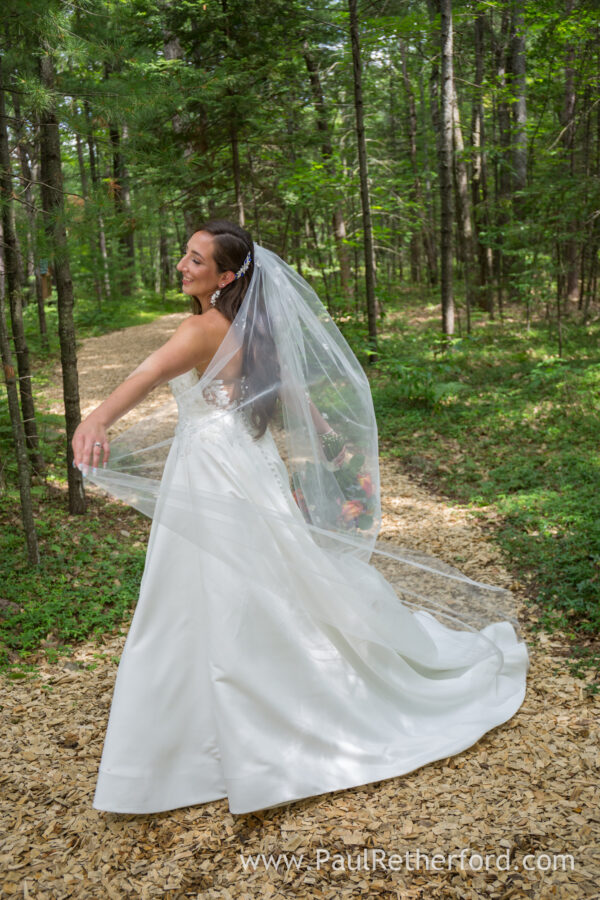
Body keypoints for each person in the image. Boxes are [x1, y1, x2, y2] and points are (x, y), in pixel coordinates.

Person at [73, 219, 529, 816]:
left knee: (218, 581)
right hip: (249, 460)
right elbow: (291, 391)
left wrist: (97, 419)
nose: (182, 267)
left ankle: (235, 721)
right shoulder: (254, 326)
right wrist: (325, 435)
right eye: (185, 256)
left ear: (226, 276)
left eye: (195, 260)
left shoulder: (200, 328)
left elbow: (146, 374)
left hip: (212, 465)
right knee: (268, 572)